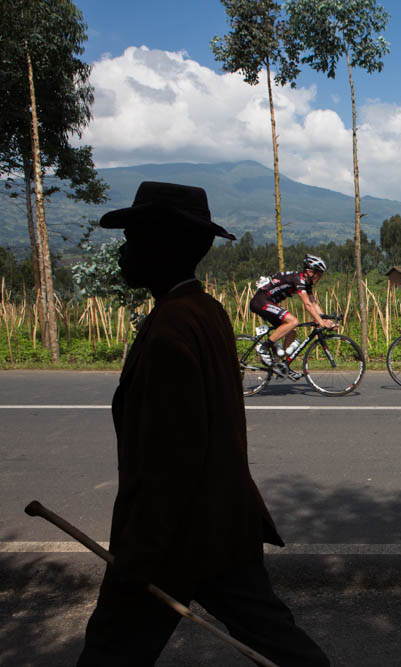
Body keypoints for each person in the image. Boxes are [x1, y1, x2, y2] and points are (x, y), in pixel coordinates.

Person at [79, 182, 329, 666]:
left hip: (173, 535)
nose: (125, 252)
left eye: (134, 239)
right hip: (223, 524)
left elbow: (172, 453)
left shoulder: (173, 325)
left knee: (111, 651)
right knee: (279, 642)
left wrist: (138, 552)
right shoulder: (205, 311)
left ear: (163, 245)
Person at [250, 254, 336, 365]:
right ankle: (263, 347)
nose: (320, 278)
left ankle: (284, 365)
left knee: (291, 331)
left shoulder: (306, 283)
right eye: (318, 275)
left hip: (269, 302)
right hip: (261, 301)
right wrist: (320, 322)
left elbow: (313, 304)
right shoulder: (298, 279)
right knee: (293, 321)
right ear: (310, 272)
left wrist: (325, 320)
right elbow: (307, 305)